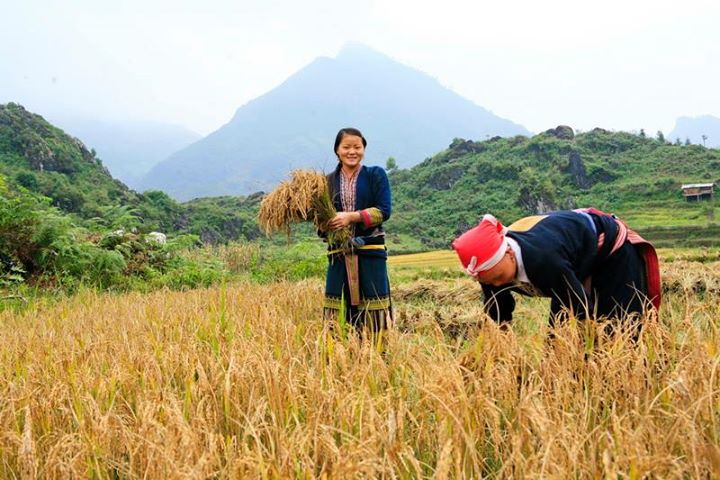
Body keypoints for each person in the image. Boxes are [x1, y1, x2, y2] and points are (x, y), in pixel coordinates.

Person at [452, 209, 661, 328]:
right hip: (570, 261)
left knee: (620, 327)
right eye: (488, 282)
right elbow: (498, 310)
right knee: (556, 347)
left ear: (509, 253)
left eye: (498, 276)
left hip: (610, 252)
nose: (497, 284)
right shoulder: (488, 272)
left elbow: (579, 306)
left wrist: (586, 341)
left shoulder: (543, 260)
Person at [323, 127, 393, 332]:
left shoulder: (376, 175)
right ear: (337, 150)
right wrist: (327, 224)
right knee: (337, 311)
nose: (352, 152)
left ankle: (376, 356)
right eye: (346, 147)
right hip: (339, 254)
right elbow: (319, 220)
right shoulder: (326, 181)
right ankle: (339, 356)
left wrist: (351, 217)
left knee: (374, 310)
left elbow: (384, 211)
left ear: (364, 149)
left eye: (357, 147)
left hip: (370, 253)